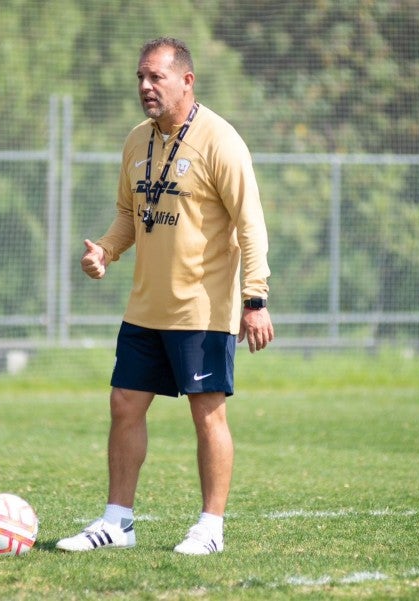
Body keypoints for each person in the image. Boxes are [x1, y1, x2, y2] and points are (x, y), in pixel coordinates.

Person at [56, 37, 274, 556]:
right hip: (144, 307)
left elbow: (251, 224)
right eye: (140, 78)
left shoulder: (220, 140)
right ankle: (117, 522)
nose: (146, 87)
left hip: (201, 309)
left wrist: (255, 297)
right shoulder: (135, 142)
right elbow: (129, 215)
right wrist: (105, 252)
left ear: (186, 81)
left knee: (207, 413)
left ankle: (211, 527)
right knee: (124, 404)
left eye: (156, 77)